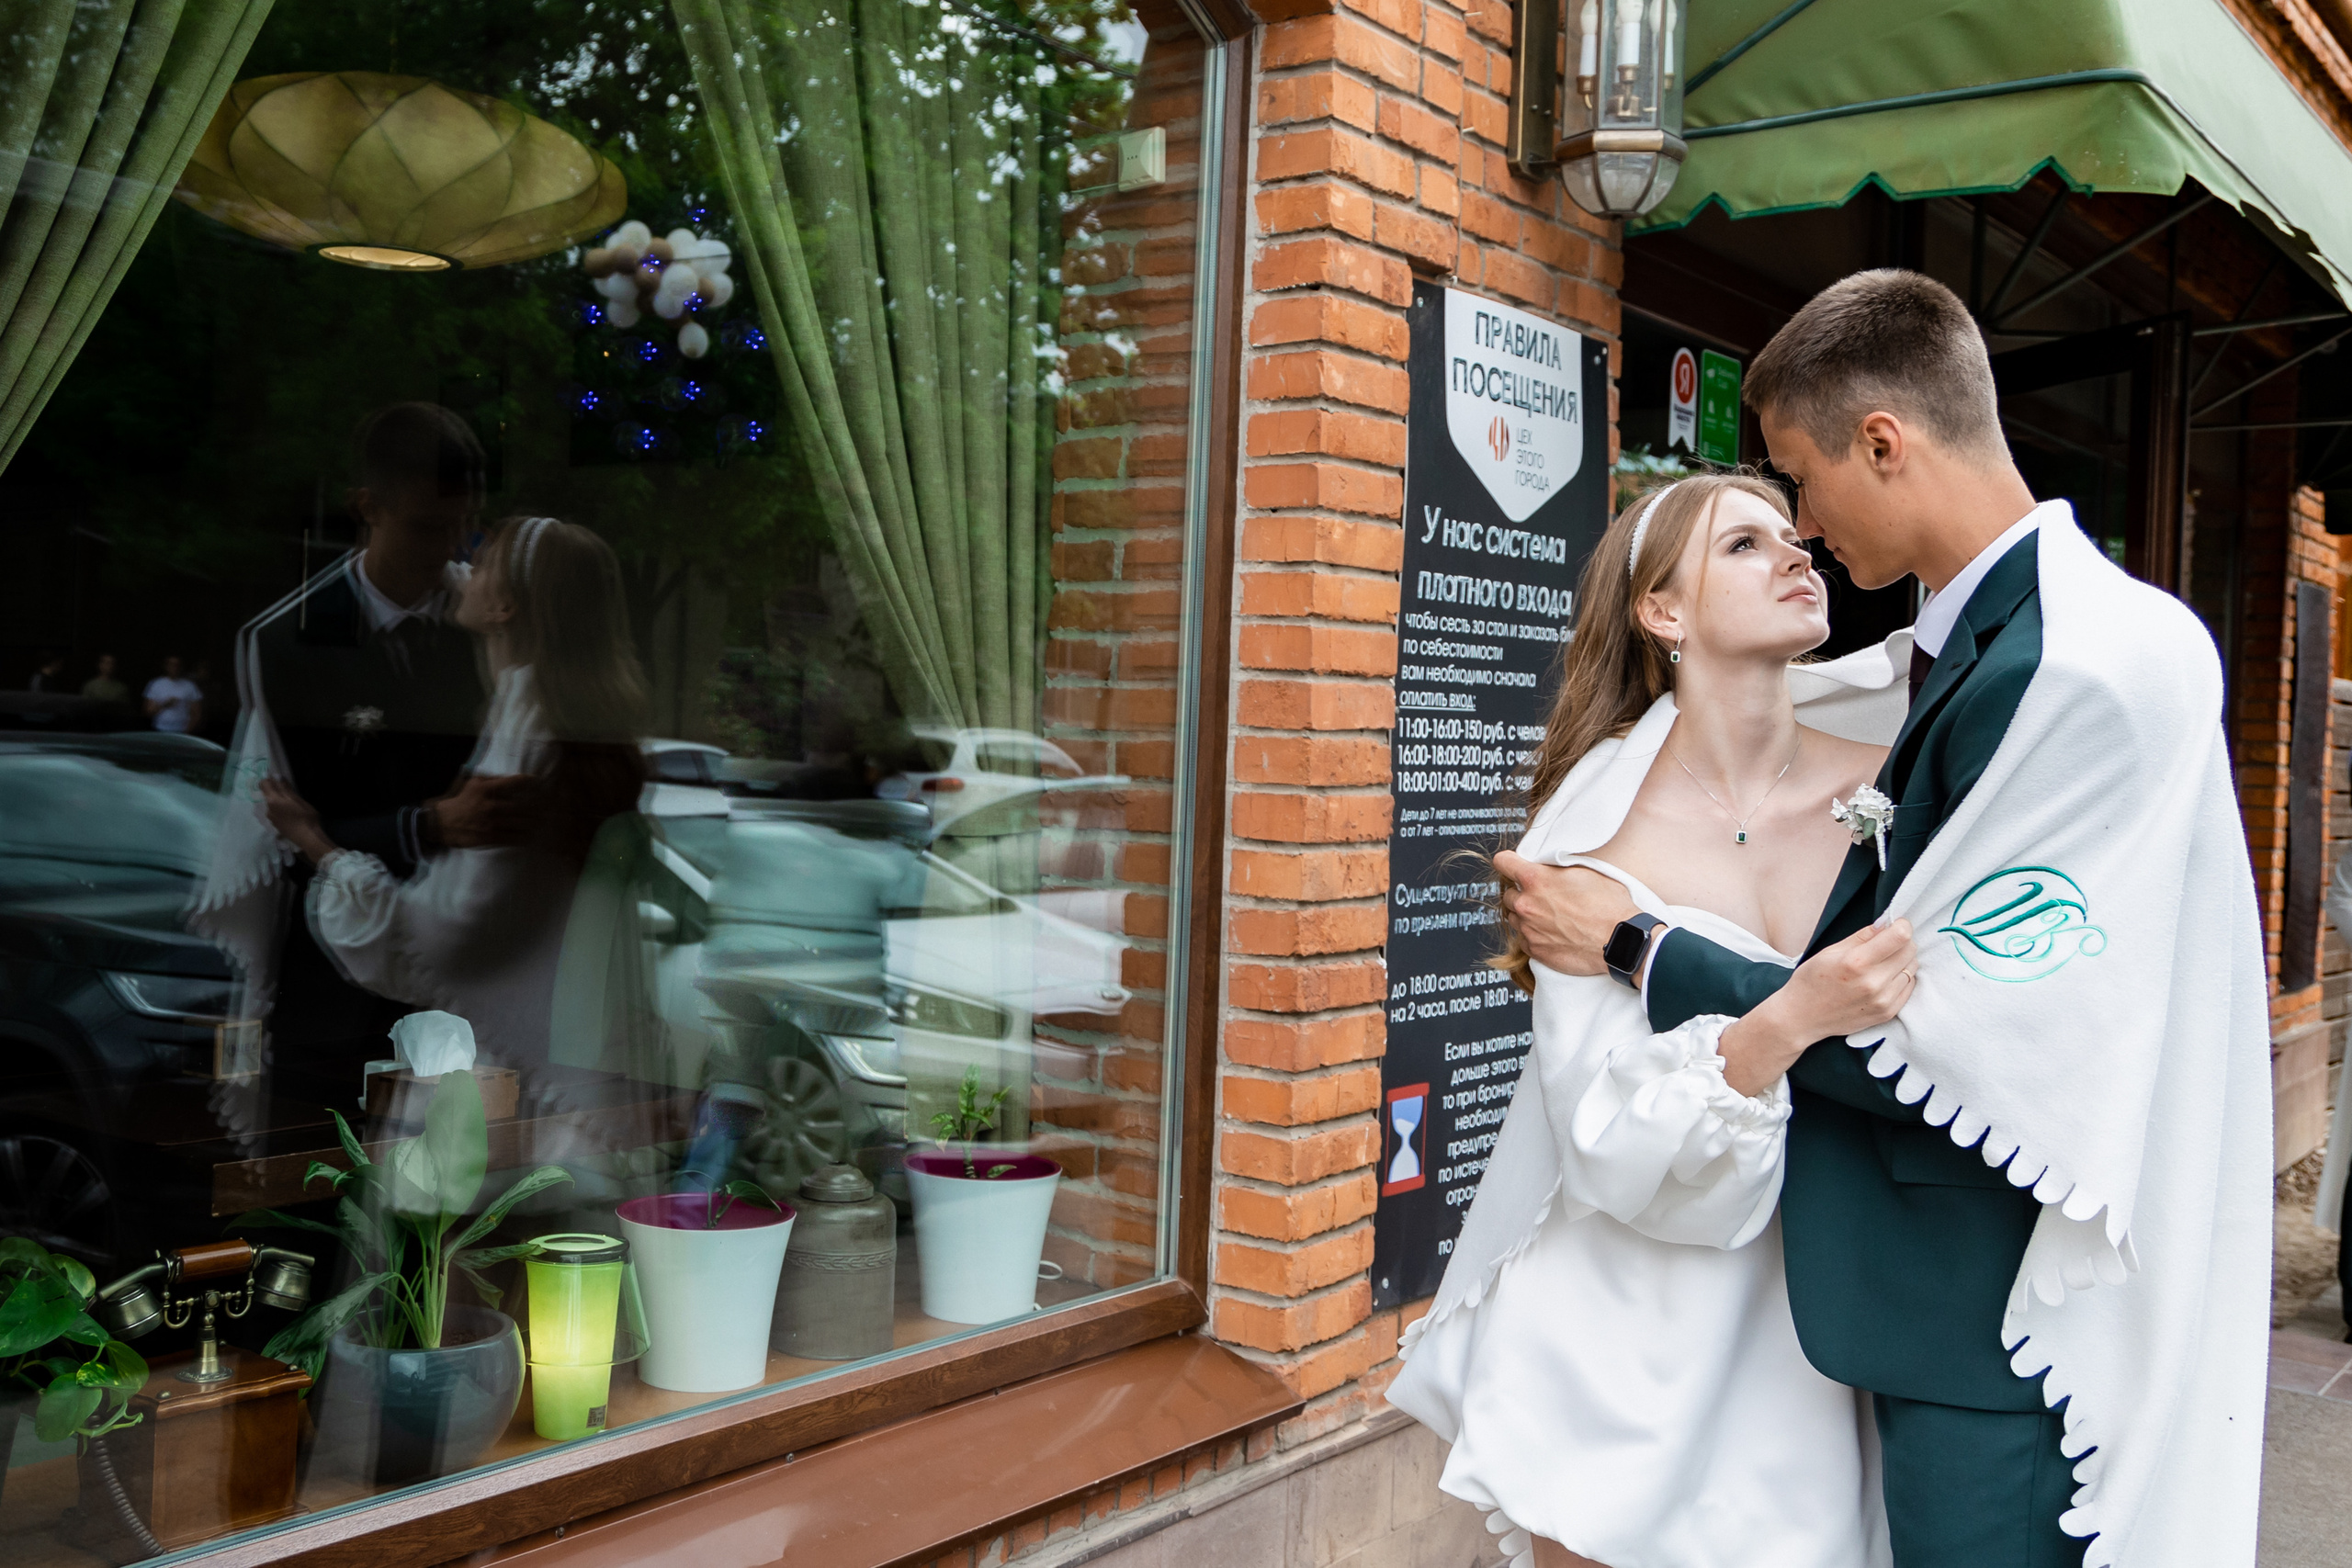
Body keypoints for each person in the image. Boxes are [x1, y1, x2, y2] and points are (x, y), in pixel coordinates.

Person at [1492, 271, 2268, 1567]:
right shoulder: (1949, 659)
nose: (1802, 528)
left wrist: (1643, 947)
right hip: (1825, 1320)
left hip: (2001, 1316)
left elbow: (1947, 1036)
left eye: (1797, 479)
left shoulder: (2078, 666)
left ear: (1884, 442)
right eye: (1755, 525)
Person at [1385, 472, 1917, 1568]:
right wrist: (1789, 1017)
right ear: (1662, 614)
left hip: (1812, 1316)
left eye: (1790, 533)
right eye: (1742, 545)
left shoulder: (1895, 784)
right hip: (1623, 1316)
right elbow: (1604, 1133)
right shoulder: (1596, 823)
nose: (1794, 553)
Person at [190, 403, 532, 1103]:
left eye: (462, 528)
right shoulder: (287, 640)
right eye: (427, 527)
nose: (448, 550)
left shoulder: (489, 626)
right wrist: (427, 824)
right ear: (366, 506)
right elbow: (289, 828)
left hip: (465, 969)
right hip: (338, 982)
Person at [260, 515, 649, 1074]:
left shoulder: (530, 724)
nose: (463, 567)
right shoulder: (545, 708)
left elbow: (449, 936)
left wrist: (317, 845)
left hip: (513, 1067)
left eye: (482, 560)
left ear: (503, 608)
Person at [144, 655, 204, 733]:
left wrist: (187, 731)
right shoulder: (156, 684)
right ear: (166, 666)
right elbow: (148, 711)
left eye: (177, 665)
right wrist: (164, 705)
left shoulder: (190, 686)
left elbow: (196, 713)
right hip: (160, 729)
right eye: (171, 664)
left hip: (182, 731)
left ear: (181, 667)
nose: (174, 667)